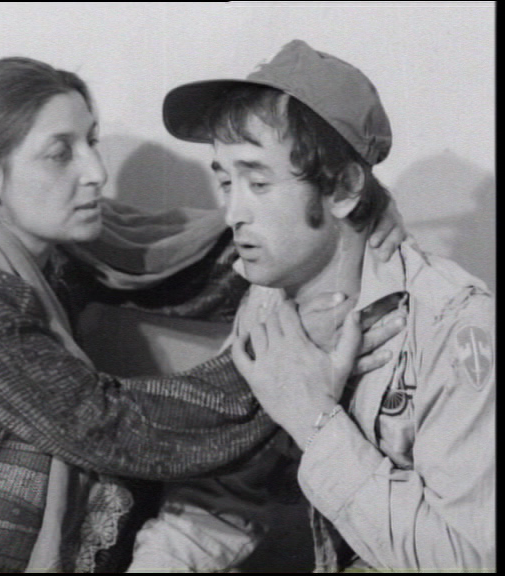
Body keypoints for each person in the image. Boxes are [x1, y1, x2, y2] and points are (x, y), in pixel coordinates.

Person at [0, 55, 405, 573]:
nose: (95, 171)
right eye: (60, 154)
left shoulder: (44, 248)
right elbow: (110, 428)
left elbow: (203, 272)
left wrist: (348, 215)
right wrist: (285, 359)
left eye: (90, 140)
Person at [130, 40, 494, 572]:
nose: (232, 213)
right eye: (226, 181)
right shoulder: (267, 305)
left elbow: (468, 560)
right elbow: (225, 496)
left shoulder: (453, 326)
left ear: (343, 189)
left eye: (258, 182)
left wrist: (314, 420)